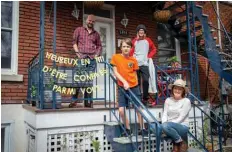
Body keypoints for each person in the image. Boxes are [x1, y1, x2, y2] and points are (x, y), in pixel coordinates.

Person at [111, 38, 147, 136]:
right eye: (124, 46)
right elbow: (115, 72)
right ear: (121, 48)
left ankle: (142, 128)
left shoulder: (133, 60)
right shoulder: (115, 57)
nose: (126, 48)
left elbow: (135, 74)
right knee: (121, 110)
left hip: (134, 87)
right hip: (122, 87)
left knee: (138, 108)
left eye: (128, 46)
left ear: (131, 48)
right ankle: (127, 128)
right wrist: (124, 82)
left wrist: (136, 85)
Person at [72, 14, 102, 108]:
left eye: (93, 21)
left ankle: (88, 102)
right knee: (78, 79)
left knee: (89, 81)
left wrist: (96, 55)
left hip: (92, 59)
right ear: (86, 20)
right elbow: (74, 43)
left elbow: (99, 46)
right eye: (89, 20)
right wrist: (78, 54)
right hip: (82, 58)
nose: (91, 22)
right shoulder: (79, 30)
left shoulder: (96, 34)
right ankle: (74, 100)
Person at [130, 24, 157, 106]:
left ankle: (145, 98)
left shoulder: (148, 40)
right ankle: (137, 98)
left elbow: (154, 49)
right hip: (136, 64)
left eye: (142, 31)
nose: (141, 32)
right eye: (139, 31)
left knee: (146, 81)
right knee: (136, 82)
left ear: (144, 32)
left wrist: (148, 56)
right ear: (138, 32)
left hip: (145, 64)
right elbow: (131, 52)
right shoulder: (134, 41)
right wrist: (132, 59)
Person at [161, 79, 191, 152]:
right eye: (175, 88)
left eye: (180, 89)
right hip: (169, 125)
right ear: (172, 89)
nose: (177, 90)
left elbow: (181, 117)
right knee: (153, 127)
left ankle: (178, 142)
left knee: (165, 126)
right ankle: (178, 142)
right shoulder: (168, 100)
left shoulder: (186, 101)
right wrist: (164, 124)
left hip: (182, 126)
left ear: (183, 91)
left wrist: (166, 125)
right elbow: (164, 113)